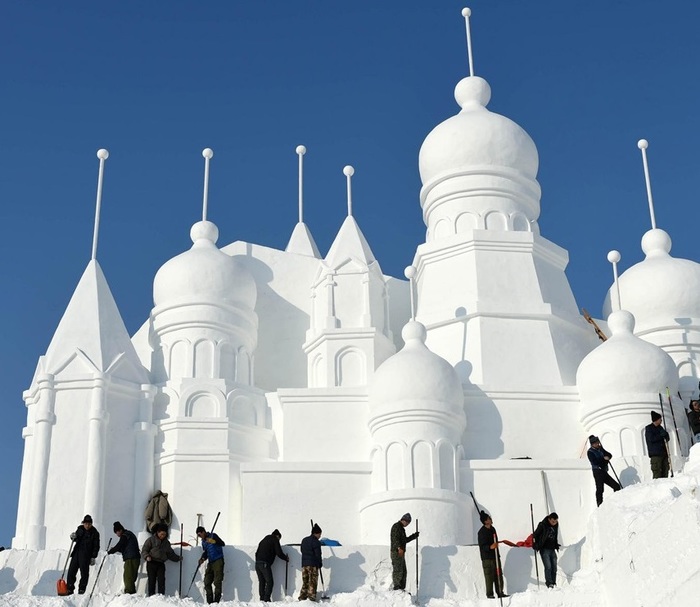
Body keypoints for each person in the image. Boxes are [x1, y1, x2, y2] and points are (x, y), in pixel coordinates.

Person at [141, 523, 181, 596]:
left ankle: (161, 596)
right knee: (152, 580)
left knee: (161, 580)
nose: (162, 536)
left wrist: (178, 558)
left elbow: (170, 554)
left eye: (164, 534)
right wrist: (147, 556)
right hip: (151, 562)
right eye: (161, 534)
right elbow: (144, 550)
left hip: (161, 564)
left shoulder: (166, 543)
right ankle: (151, 595)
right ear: (157, 532)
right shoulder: (151, 540)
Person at [66, 514, 100, 595]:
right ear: (83, 523)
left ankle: (81, 589)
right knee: (71, 571)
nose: (87, 525)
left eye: (89, 524)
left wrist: (93, 557)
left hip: (86, 555)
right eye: (85, 524)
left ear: (91, 524)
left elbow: (96, 546)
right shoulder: (80, 529)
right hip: (76, 553)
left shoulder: (95, 533)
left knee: (84, 573)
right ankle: (70, 588)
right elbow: (76, 538)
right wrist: (73, 537)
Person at [477, 512, 506, 599]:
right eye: (489, 518)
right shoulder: (481, 532)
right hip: (487, 558)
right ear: (486, 521)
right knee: (489, 576)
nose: (491, 519)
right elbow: (482, 546)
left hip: (496, 556)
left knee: (498, 574)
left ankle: (500, 592)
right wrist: (490, 547)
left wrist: (496, 545)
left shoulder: (493, 529)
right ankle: (490, 594)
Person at [255, 529, 289, 602]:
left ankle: (262, 598)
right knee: (270, 582)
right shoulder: (274, 539)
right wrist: (285, 558)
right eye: (279, 539)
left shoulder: (263, 540)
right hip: (265, 563)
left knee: (262, 581)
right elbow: (279, 552)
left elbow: (256, 553)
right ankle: (266, 599)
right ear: (278, 536)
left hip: (257, 563)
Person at [108, 521, 140, 594]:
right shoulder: (129, 534)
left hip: (131, 558)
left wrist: (110, 552)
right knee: (131, 576)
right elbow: (124, 547)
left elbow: (119, 545)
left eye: (117, 532)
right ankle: (131, 592)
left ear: (120, 530)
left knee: (128, 576)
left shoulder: (125, 536)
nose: (117, 534)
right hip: (135, 557)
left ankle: (129, 592)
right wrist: (115, 549)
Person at [587, 435, 621, 506]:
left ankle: (617, 502)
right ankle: (599, 505)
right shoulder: (590, 452)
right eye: (596, 443)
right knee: (600, 489)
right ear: (592, 444)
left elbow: (609, 455)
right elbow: (595, 462)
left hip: (604, 471)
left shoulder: (600, 449)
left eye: (598, 442)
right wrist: (604, 459)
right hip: (597, 472)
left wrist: (607, 457)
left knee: (616, 486)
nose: (598, 444)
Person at [389, 513, 419, 592]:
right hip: (396, 552)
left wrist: (414, 536)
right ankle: (396, 587)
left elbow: (404, 540)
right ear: (403, 520)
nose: (407, 524)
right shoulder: (396, 527)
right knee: (398, 569)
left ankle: (401, 588)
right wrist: (399, 548)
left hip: (401, 552)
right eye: (407, 522)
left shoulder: (401, 528)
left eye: (408, 523)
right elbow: (395, 539)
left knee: (403, 570)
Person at [196, 525, 226, 603]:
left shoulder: (213, 536)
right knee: (207, 581)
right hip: (211, 562)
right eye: (198, 536)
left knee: (217, 581)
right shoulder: (203, 542)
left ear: (204, 532)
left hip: (218, 560)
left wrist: (213, 541)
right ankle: (209, 601)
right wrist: (202, 558)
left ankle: (217, 601)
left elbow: (222, 543)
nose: (200, 537)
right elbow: (206, 552)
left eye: (200, 534)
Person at [533, 513, 560, 588]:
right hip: (544, 549)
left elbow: (555, 535)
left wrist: (556, 544)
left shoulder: (556, 525)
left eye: (556, 521)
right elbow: (535, 535)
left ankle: (554, 582)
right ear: (549, 519)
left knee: (554, 567)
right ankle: (549, 583)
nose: (554, 523)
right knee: (548, 567)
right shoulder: (542, 525)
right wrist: (536, 544)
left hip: (552, 549)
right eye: (553, 521)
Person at [298, 523, 323, 601]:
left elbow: (302, 550)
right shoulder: (316, 542)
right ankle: (311, 597)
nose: (320, 536)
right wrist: (320, 563)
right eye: (319, 534)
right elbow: (318, 554)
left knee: (305, 581)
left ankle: (302, 596)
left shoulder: (304, 540)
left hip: (304, 565)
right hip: (313, 565)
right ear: (316, 533)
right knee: (312, 581)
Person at [645, 411, 670, 479]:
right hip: (655, 454)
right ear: (656, 420)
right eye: (660, 419)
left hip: (664, 453)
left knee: (665, 471)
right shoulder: (649, 428)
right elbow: (651, 439)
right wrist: (660, 435)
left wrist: (666, 435)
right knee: (657, 473)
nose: (661, 420)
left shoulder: (660, 428)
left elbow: (666, 438)